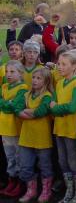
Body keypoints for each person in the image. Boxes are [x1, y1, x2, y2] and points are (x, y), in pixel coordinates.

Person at [50, 51, 76, 203]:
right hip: (60, 128)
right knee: (63, 161)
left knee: (73, 162)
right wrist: (55, 107)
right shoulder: (59, 83)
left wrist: (56, 108)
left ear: (74, 67)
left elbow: (73, 107)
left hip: (72, 130)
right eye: (59, 64)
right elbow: (52, 104)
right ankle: (69, 191)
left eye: (64, 64)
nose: (60, 67)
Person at [17, 68, 54, 203]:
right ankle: (31, 190)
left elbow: (41, 111)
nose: (34, 80)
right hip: (26, 137)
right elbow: (17, 109)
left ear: (46, 81)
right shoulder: (26, 95)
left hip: (42, 138)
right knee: (25, 166)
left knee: (45, 165)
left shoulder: (47, 96)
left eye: (39, 78)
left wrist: (26, 112)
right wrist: (28, 112)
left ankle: (46, 191)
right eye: (33, 77)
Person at [0, 61, 28, 197]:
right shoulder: (4, 86)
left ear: (20, 73)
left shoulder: (23, 88)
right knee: (9, 157)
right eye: (6, 72)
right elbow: (4, 104)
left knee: (18, 157)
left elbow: (15, 106)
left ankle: (21, 183)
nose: (8, 75)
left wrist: (6, 104)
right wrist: (6, 103)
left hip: (16, 129)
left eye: (12, 72)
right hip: (4, 128)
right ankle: (12, 180)